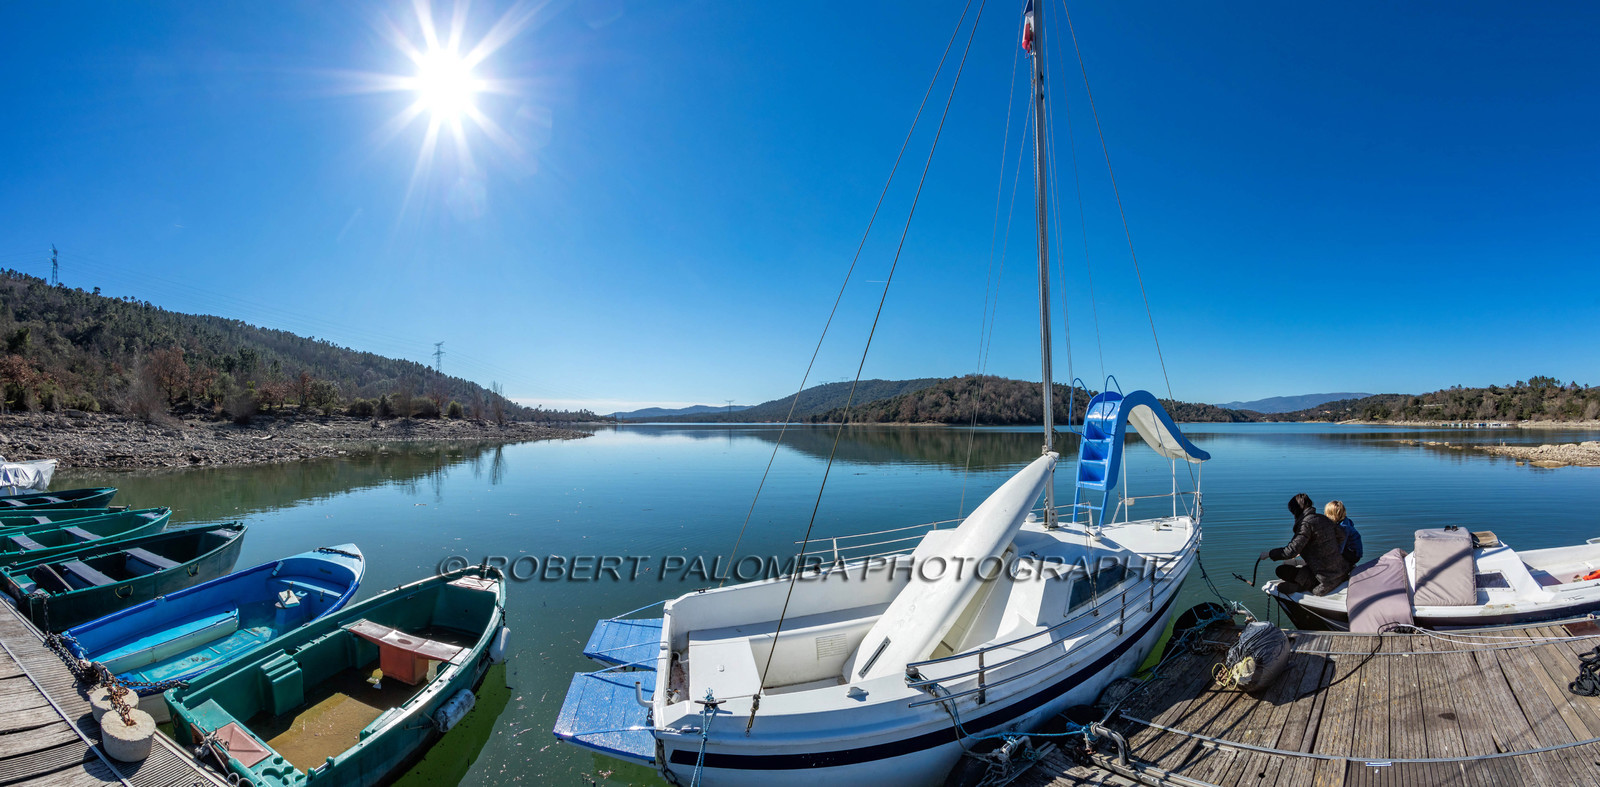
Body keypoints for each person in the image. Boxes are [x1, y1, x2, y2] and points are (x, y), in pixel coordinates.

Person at [1259, 493, 1349, 596]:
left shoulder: (1306, 524)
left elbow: (1291, 551)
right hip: (1340, 571)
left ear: (1296, 511)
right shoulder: (1323, 518)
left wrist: (1269, 554)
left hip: (1324, 579)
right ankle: (1304, 580)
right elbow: (1342, 535)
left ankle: (1304, 585)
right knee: (1294, 565)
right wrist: (1326, 549)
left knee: (1281, 571)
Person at [1325, 500, 1362, 568]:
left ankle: (1344, 567)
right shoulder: (1345, 520)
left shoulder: (1343, 528)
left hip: (1353, 554)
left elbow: (1340, 549)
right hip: (1355, 552)